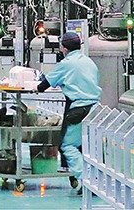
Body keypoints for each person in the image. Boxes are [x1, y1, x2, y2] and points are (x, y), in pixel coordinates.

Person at [36, 31, 101, 194]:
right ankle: (96, 179)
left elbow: (43, 85)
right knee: (90, 146)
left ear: (64, 48)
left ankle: (86, 181)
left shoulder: (66, 64)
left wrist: (36, 85)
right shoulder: (89, 62)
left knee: (68, 145)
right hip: (96, 109)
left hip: (79, 109)